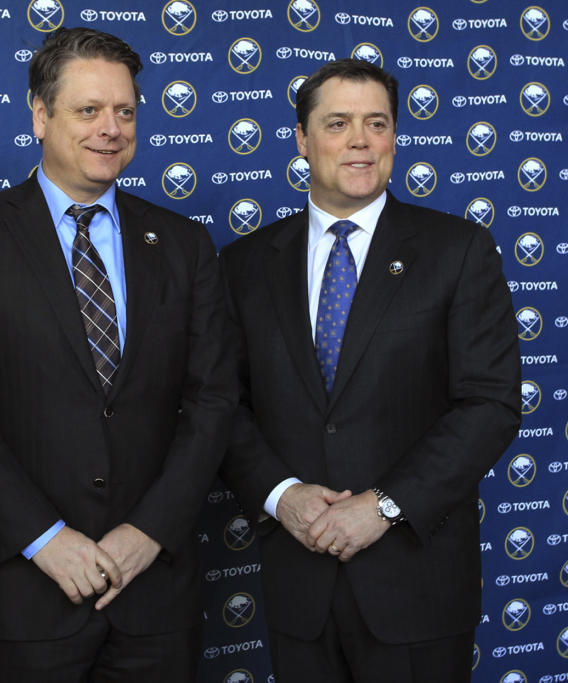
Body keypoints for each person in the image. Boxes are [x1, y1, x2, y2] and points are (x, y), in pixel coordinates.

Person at [0, 26, 236, 682]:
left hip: (155, 592)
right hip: (27, 590)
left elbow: (212, 400)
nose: (111, 128)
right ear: (40, 116)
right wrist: (46, 539)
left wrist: (147, 533)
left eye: (125, 111)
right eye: (88, 110)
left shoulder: (183, 244)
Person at [219, 58, 521, 682]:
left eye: (376, 123)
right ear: (302, 140)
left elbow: (489, 404)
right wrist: (282, 497)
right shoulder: (245, 263)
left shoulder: (457, 251)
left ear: (393, 137)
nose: (360, 140)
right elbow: (222, 403)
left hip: (417, 585)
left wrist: (382, 506)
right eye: (338, 123)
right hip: (298, 584)